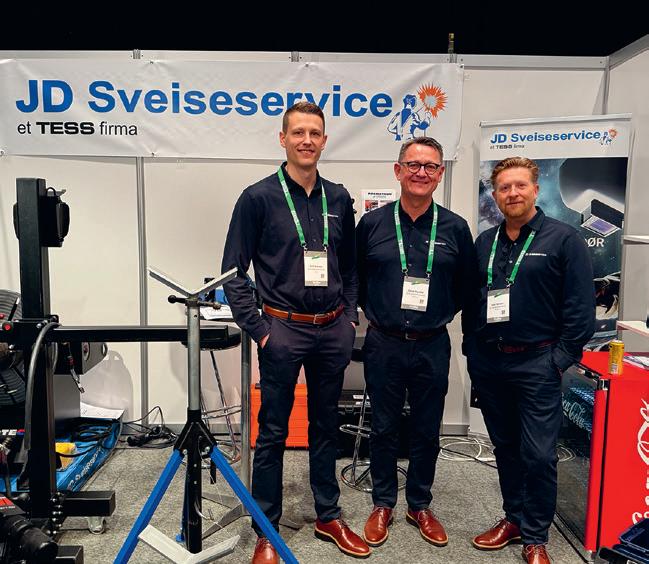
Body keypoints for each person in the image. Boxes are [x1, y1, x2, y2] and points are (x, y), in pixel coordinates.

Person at [222, 102, 370, 563]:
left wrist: (349, 319)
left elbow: (350, 267)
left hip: (331, 330)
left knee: (326, 426)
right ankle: (266, 528)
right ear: (282, 138)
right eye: (299, 132)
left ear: (324, 141)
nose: (307, 140)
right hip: (282, 329)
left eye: (315, 133)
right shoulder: (257, 198)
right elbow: (233, 272)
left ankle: (328, 515)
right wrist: (261, 331)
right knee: (273, 432)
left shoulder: (339, 199)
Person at [467, 157, 595, 564]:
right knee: (505, 446)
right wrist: (473, 351)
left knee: (539, 454)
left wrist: (558, 360)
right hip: (491, 363)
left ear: (535, 190)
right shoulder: (485, 242)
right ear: (495, 195)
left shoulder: (564, 239)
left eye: (520, 185)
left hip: (538, 363)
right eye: (504, 188)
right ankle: (514, 518)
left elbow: (581, 310)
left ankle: (536, 535)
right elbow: (474, 300)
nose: (512, 194)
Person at [356, 137, 478, 549]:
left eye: (429, 166)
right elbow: (355, 280)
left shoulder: (455, 228)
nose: (420, 172)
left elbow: (466, 288)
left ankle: (419, 504)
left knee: (427, 429)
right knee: (384, 426)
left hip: (431, 343)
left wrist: (437, 313)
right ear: (398, 170)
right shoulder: (372, 225)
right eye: (413, 164)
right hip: (384, 342)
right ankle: (383, 503)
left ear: (440, 174)